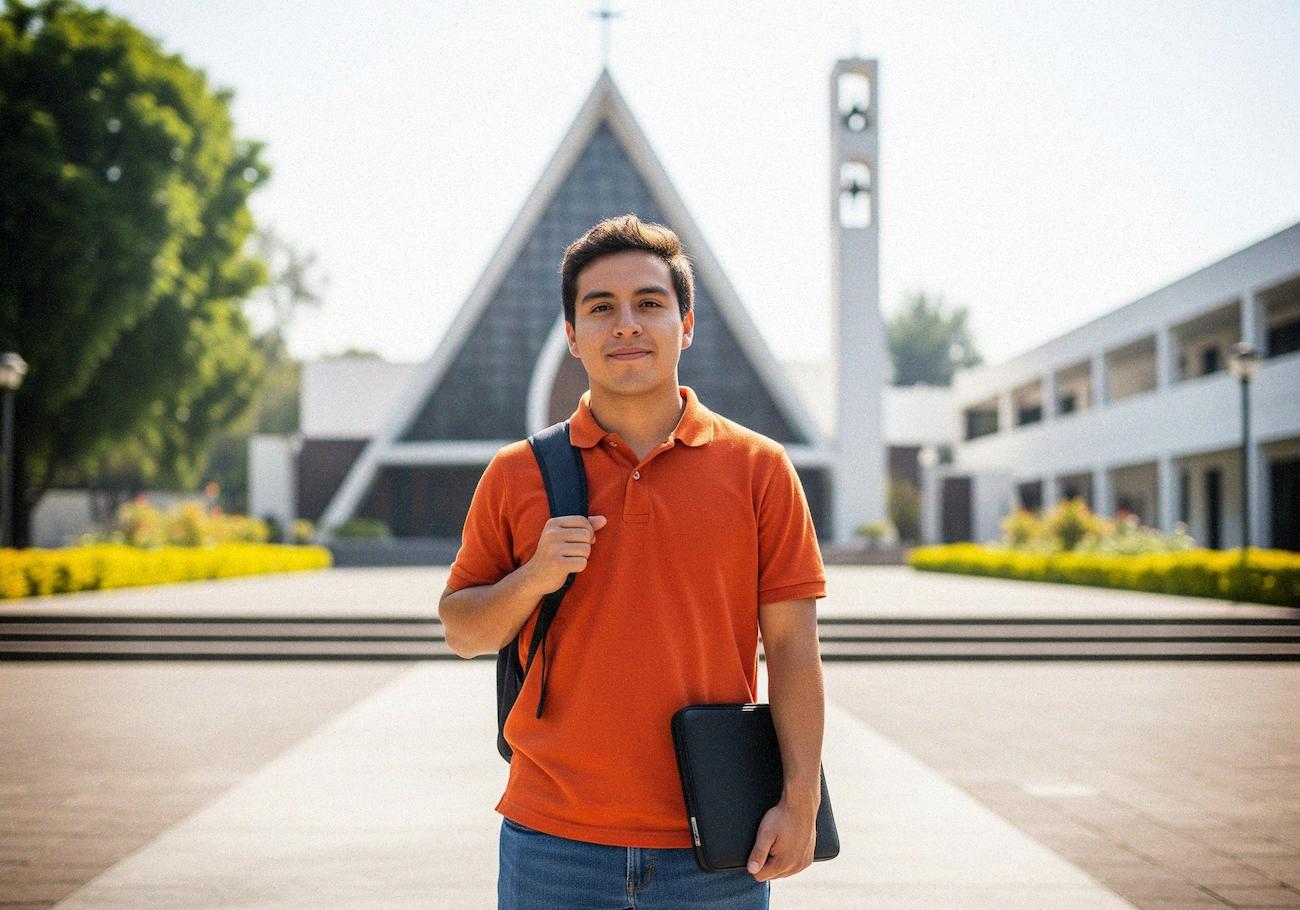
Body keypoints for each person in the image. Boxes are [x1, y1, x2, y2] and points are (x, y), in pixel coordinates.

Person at [438, 213, 827, 910]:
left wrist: (800, 800)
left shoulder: (760, 470)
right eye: (601, 308)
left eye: (649, 303)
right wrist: (533, 578)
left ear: (686, 325)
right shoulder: (515, 473)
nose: (626, 325)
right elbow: (464, 631)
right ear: (572, 336)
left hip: (717, 845)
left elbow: (795, 649)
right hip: (551, 840)